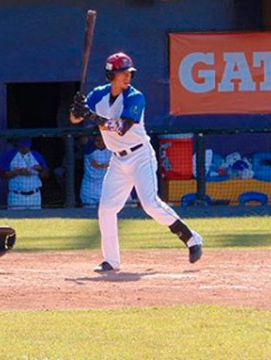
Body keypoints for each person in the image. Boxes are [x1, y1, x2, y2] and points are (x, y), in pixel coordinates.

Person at [70, 52, 203, 272]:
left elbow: (122, 128)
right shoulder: (97, 95)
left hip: (140, 156)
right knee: (106, 210)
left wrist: (92, 116)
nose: (127, 77)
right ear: (111, 74)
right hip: (118, 160)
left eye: (129, 73)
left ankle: (191, 238)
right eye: (122, 73)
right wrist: (77, 110)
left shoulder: (135, 97)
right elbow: (74, 119)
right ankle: (111, 260)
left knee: (150, 204)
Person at [0, 138, 49, 210]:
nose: (25, 149)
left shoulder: (36, 155)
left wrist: (40, 169)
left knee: (35, 220)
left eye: (27, 147)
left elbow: (46, 175)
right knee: (14, 220)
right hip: (16, 196)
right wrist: (17, 172)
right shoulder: (10, 155)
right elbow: (2, 174)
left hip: (34, 195)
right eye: (22, 147)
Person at [80, 135, 111, 207]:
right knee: (89, 215)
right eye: (97, 141)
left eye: (102, 140)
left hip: (107, 187)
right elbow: (84, 138)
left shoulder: (112, 149)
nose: (100, 143)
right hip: (90, 188)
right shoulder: (88, 149)